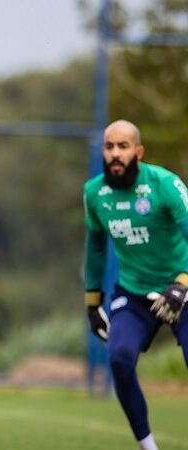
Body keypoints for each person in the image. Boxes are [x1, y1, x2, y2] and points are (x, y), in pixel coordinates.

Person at [84, 119, 188, 450]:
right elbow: (95, 247)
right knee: (119, 358)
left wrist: (182, 283)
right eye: (109, 146)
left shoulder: (165, 185)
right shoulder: (94, 193)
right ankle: (148, 446)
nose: (115, 153)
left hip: (181, 288)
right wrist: (92, 303)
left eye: (123, 146)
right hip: (133, 292)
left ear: (138, 152)